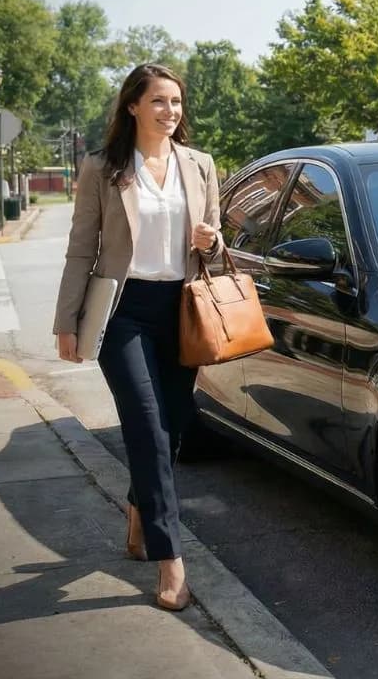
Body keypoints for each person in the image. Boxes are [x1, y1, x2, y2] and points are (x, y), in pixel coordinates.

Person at [52, 63, 223, 611]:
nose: (170, 112)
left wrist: (211, 239)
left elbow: (217, 250)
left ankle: (138, 509)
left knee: (171, 429)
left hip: (181, 308)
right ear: (132, 106)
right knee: (146, 426)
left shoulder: (199, 165)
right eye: (158, 102)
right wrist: (66, 320)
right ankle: (170, 560)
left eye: (176, 103)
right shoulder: (103, 169)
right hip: (123, 311)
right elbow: (82, 248)